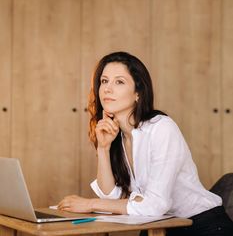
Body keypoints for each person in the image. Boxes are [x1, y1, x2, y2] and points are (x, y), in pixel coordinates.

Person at [58, 51, 233, 235]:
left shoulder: (161, 128)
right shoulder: (116, 135)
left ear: (138, 93)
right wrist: (103, 148)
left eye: (119, 82)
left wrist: (89, 204)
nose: (107, 89)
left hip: (202, 227)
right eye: (104, 81)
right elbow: (112, 196)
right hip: (156, 225)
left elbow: (155, 204)